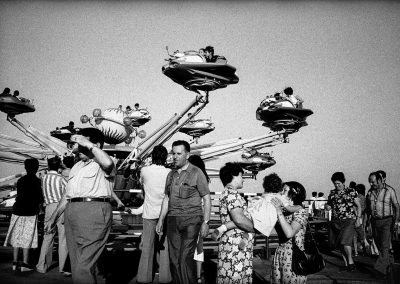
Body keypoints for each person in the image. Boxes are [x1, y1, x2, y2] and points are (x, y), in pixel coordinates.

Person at [45, 128, 116, 284]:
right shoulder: (76, 167)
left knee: (84, 264)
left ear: (95, 144)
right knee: (78, 262)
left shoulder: (104, 162)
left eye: (82, 144)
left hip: (93, 211)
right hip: (72, 211)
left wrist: (88, 144)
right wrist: (54, 217)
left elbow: (108, 163)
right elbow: (68, 195)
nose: (78, 148)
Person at [156, 140, 211, 284]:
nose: (175, 157)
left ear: (187, 155)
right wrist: (161, 219)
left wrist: (205, 222)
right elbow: (166, 198)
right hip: (173, 220)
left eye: (179, 154)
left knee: (185, 258)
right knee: (174, 260)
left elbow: (206, 198)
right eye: (173, 153)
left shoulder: (197, 173)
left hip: (192, 220)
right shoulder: (170, 175)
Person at [136, 145, 172, 284]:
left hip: (149, 212)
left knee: (147, 247)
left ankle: (144, 277)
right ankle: (165, 277)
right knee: (165, 247)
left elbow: (142, 187)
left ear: (152, 156)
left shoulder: (144, 170)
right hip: (165, 213)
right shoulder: (170, 172)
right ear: (165, 157)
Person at [216, 162, 255, 283]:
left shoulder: (225, 194)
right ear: (234, 175)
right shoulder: (232, 195)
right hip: (236, 247)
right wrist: (256, 228)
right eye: (241, 176)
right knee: (236, 277)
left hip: (228, 244)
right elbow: (239, 219)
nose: (243, 180)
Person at [4, 158, 43, 272]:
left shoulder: (21, 180)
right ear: (36, 168)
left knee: (17, 236)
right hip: (30, 212)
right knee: (27, 237)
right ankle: (25, 264)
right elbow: (39, 198)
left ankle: (15, 262)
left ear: (25, 168)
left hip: (17, 210)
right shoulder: (37, 181)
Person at [36, 157, 69, 275]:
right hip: (61, 207)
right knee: (63, 238)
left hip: (49, 207)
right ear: (59, 166)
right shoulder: (61, 179)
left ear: (49, 166)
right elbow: (68, 192)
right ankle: (63, 267)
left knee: (47, 237)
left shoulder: (43, 178)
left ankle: (42, 266)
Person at [271, 181, 308, 284]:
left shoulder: (300, 211)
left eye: (285, 190)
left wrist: (278, 210)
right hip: (280, 252)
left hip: (294, 255)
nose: (282, 193)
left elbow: (289, 233)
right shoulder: (284, 211)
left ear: (294, 194)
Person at [325, 172, 362, 271]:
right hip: (336, 221)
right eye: (335, 184)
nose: (337, 186)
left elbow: (358, 206)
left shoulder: (351, 191)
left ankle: (351, 262)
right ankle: (346, 264)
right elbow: (328, 206)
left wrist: (358, 218)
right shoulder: (332, 193)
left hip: (349, 220)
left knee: (345, 241)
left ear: (343, 182)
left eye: (339, 183)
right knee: (340, 244)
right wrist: (327, 206)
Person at [366, 171, 399, 276]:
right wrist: (366, 223)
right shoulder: (370, 192)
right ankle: (390, 263)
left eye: (373, 182)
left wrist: (396, 222)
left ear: (379, 180)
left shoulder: (390, 191)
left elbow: (397, 207)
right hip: (375, 222)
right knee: (380, 245)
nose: (371, 184)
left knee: (384, 245)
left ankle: (380, 270)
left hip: (387, 221)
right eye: (370, 182)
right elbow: (367, 209)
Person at [188, 154, 210, 284]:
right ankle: (198, 276)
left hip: (189, 215)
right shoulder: (204, 179)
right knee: (198, 247)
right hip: (200, 216)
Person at [352, 183, 370, 257]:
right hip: (362, 218)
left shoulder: (356, 198)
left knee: (354, 236)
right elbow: (366, 210)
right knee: (362, 236)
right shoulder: (365, 198)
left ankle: (356, 252)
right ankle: (364, 251)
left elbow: (354, 208)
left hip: (355, 218)